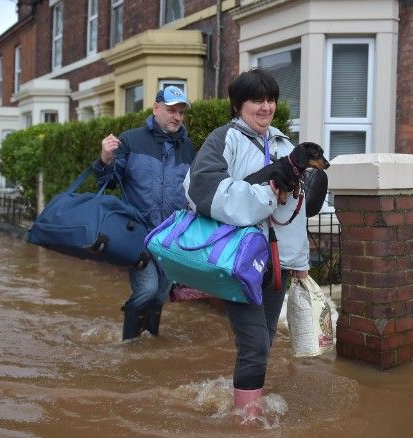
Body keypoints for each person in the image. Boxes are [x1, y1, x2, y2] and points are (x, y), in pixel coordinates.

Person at [184, 69, 310, 414]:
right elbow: (200, 191)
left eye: (270, 99)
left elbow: (295, 217)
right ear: (239, 104)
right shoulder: (224, 139)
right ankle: (246, 422)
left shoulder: (285, 144)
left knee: (264, 341)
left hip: (278, 265)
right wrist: (265, 194)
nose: (265, 106)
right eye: (257, 99)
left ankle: (239, 398)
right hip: (239, 261)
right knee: (254, 344)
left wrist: (299, 264)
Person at [92, 85, 196, 340]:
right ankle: (129, 342)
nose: (177, 117)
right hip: (138, 232)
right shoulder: (131, 139)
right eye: (172, 110)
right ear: (156, 108)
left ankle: (150, 340)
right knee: (148, 289)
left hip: (172, 236)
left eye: (181, 112)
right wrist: (105, 159)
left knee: (161, 294)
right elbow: (109, 181)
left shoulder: (188, 148)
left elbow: (194, 191)